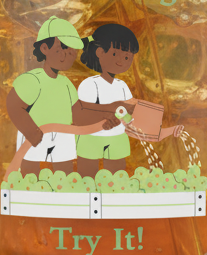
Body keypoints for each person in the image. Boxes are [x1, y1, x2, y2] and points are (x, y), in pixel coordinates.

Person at [5, 17, 116, 176]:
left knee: (64, 172)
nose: (69, 55)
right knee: (29, 171)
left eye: (73, 50)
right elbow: (14, 104)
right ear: (44, 48)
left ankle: (64, 196)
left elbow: (78, 113)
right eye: (63, 48)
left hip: (63, 135)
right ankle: (29, 196)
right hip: (36, 133)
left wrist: (104, 119)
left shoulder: (66, 84)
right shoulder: (33, 79)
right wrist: (30, 131)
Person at [75, 22, 183, 179]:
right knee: (87, 174)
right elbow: (82, 112)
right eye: (114, 54)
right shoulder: (89, 84)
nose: (121, 61)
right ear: (99, 52)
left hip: (117, 138)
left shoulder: (122, 85)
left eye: (127, 57)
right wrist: (109, 113)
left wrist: (161, 125)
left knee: (117, 175)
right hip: (91, 137)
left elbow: (130, 111)